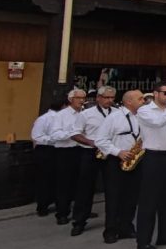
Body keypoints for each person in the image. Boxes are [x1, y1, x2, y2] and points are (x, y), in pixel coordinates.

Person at [135, 81, 166, 249]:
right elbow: (158, 123)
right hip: (154, 157)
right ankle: (143, 241)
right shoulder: (145, 110)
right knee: (149, 200)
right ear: (155, 94)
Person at [95, 90, 145, 244]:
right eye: (140, 99)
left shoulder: (143, 116)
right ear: (129, 101)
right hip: (116, 161)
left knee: (132, 197)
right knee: (114, 197)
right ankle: (110, 230)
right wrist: (119, 152)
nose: (144, 101)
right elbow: (100, 140)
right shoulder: (114, 117)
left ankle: (126, 227)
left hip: (136, 160)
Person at [69, 85, 117, 236]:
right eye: (106, 97)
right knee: (85, 188)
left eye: (112, 98)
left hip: (110, 152)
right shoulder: (86, 114)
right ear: (98, 98)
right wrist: (92, 143)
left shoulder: (117, 113)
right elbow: (75, 134)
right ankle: (79, 222)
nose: (110, 100)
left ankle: (113, 223)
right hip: (90, 152)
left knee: (113, 188)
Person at [49, 89, 86, 225]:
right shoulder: (61, 115)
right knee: (64, 183)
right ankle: (62, 213)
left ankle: (81, 212)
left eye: (83, 98)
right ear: (70, 100)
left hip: (82, 150)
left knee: (81, 183)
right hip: (66, 151)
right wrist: (73, 135)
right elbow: (54, 135)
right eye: (78, 98)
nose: (81, 100)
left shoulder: (85, 114)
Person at [30, 98, 65, 217]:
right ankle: (42, 206)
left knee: (57, 178)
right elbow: (37, 136)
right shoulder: (44, 118)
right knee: (44, 178)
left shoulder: (60, 118)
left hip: (58, 150)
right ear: (63, 106)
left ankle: (57, 203)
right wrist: (54, 139)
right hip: (46, 150)